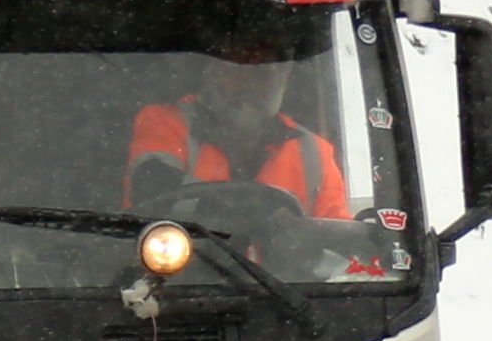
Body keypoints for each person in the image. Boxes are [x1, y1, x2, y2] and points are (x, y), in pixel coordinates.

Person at [124, 57, 355, 221]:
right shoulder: (163, 122)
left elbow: (337, 240)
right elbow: (152, 187)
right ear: (211, 71)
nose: (248, 85)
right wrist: (260, 215)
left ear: (284, 80)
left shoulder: (315, 151)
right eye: (235, 70)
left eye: (262, 73)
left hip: (283, 286)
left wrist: (374, 240)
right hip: (174, 282)